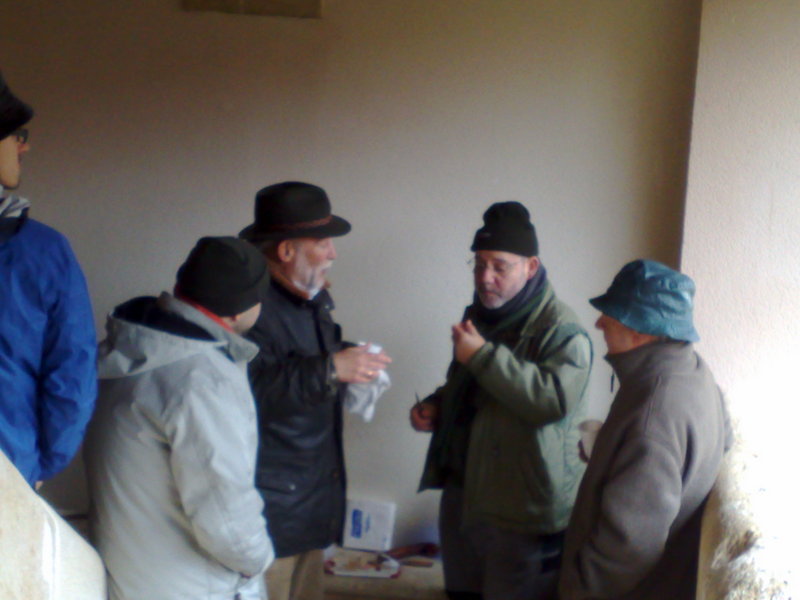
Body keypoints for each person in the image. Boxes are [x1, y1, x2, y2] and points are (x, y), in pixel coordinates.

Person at [411, 201, 593, 600]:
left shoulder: (563, 331)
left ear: (530, 266)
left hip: (522, 513)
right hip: (465, 497)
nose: (485, 277)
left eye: (499, 266)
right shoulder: (481, 315)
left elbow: (550, 401)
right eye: (478, 264)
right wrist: (437, 405)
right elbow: (471, 387)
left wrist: (481, 355)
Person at [84, 237, 274, 600]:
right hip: (194, 587)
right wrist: (259, 561)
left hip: (129, 576)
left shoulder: (127, 349)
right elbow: (227, 520)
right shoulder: (203, 381)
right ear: (239, 311)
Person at [239, 181, 392, 600]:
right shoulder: (249, 306)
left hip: (308, 503)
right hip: (272, 513)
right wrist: (331, 368)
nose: (333, 254)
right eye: (323, 242)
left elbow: (300, 358)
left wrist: (351, 358)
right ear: (287, 250)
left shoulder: (309, 297)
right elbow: (248, 390)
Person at [558, 259, 731, 600]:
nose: (599, 322)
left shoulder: (653, 414)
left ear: (641, 330)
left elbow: (626, 550)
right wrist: (612, 453)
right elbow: (721, 441)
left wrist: (574, 592)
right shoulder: (694, 371)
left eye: (611, 314)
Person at [0, 71, 96, 486]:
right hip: (8, 472)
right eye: (15, 134)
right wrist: (40, 464)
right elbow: (70, 378)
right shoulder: (43, 252)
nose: (24, 146)